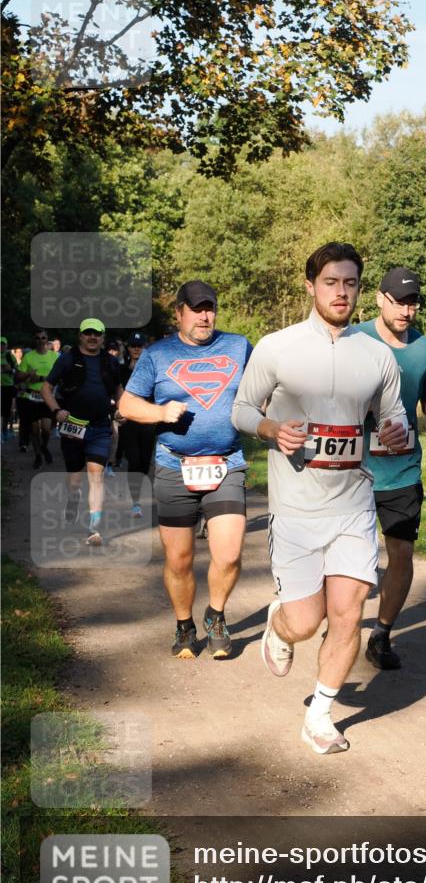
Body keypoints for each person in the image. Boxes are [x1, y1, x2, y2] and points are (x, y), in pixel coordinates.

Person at [232, 242, 407, 755]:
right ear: (310, 286)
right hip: (296, 510)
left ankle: (321, 713)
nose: (341, 292)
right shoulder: (277, 347)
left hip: (353, 504)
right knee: (307, 621)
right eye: (331, 282)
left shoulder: (377, 355)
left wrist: (394, 433)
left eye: (351, 283)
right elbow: (241, 408)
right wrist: (268, 427)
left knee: (349, 612)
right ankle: (280, 627)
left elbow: (393, 417)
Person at [119, 282, 252, 659]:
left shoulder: (239, 346)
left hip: (227, 464)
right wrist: (161, 413)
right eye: (196, 309)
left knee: (228, 554)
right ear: (179, 313)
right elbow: (128, 404)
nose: (204, 315)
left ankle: (217, 615)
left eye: (209, 307)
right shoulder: (157, 355)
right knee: (179, 560)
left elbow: (266, 387)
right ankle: (184, 625)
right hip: (174, 467)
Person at [355, 267, 426, 668]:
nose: (407, 310)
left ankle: (381, 635)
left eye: (413, 302)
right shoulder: (353, 339)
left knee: (402, 554)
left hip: (402, 469)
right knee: (348, 557)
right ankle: (340, 619)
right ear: (379, 299)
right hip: (353, 468)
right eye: (399, 302)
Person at [42, 319, 122, 546]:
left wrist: (122, 409)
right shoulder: (67, 360)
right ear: (80, 336)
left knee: (96, 475)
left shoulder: (110, 362)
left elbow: (118, 390)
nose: (92, 337)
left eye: (97, 334)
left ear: (103, 337)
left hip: (100, 427)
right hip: (73, 426)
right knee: (75, 481)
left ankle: (94, 528)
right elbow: (46, 388)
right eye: (88, 333)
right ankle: (73, 499)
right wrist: (56, 410)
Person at [117, 332, 155, 518]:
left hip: (148, 420)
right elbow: (115, 393)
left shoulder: (151, 370)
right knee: (134, 460)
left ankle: (138, 489)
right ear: (128, 348)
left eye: (139, 345)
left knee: (145, 464)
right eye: (133, 345)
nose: (136, 349)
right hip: (129, 422)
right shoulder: (121, 370)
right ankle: (136, 502)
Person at [17, 329, 58, 467]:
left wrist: (41, 378)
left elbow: (60, 376)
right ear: (35, 340)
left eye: (43, 338)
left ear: (47, 340)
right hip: (31, 397)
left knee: (46, 429)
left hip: (47, 397)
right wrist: (28, 374)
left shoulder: (54, 356)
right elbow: (17, 377)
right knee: (34, 430)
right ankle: (38, 456)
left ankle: (44, 446)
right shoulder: (28, 357)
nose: (40, 340)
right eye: (38, 338)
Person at [1, 337, 18, 442]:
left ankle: (5, 431)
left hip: (8, 386)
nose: (1, 346)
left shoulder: (9, 356)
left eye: (3, 344)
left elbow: (17, 371)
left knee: (7, 412)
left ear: (6, 345)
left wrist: (10, 370)